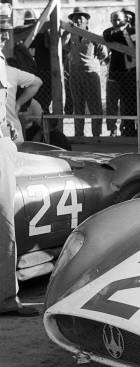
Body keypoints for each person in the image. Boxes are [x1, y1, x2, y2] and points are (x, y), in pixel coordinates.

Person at [0, 3, 38, 317]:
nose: (3, 37)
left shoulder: (2, 61)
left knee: (5, 222)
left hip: (3, 145)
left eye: (6, 32)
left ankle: (5, 297)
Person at [62, 7, 107, 138]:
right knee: (78, 106)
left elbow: (103, 54)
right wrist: (67, 31)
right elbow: (63, 45)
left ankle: (97, 135)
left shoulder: (93, 35)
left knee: (95, 106)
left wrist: (91, 63)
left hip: (91, 74)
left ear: (87, 21)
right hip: (75, 75)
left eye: (81, 17)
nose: (78, 19)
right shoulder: (70, 36)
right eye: (75, 18)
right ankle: (79, 135)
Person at [103, 10, 137, 137]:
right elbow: (107, 35)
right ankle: (112, 129)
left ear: (125, 19)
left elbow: (131, 43)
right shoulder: (110, 31)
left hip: (130, 74)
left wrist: (123, 31)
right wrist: (122, 30)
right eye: (113, 19)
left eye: (118, 19)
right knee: (111, 103)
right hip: (115, 72)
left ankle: (125, 128)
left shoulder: (134, 31)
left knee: (127, 104)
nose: (116, 22)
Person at [5, 59, 42, 143]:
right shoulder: (11, 72)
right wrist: (18, 104)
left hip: (12, 132)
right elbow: (38, 82)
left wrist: (18, 104)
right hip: (14, 135)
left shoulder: (11, 72)